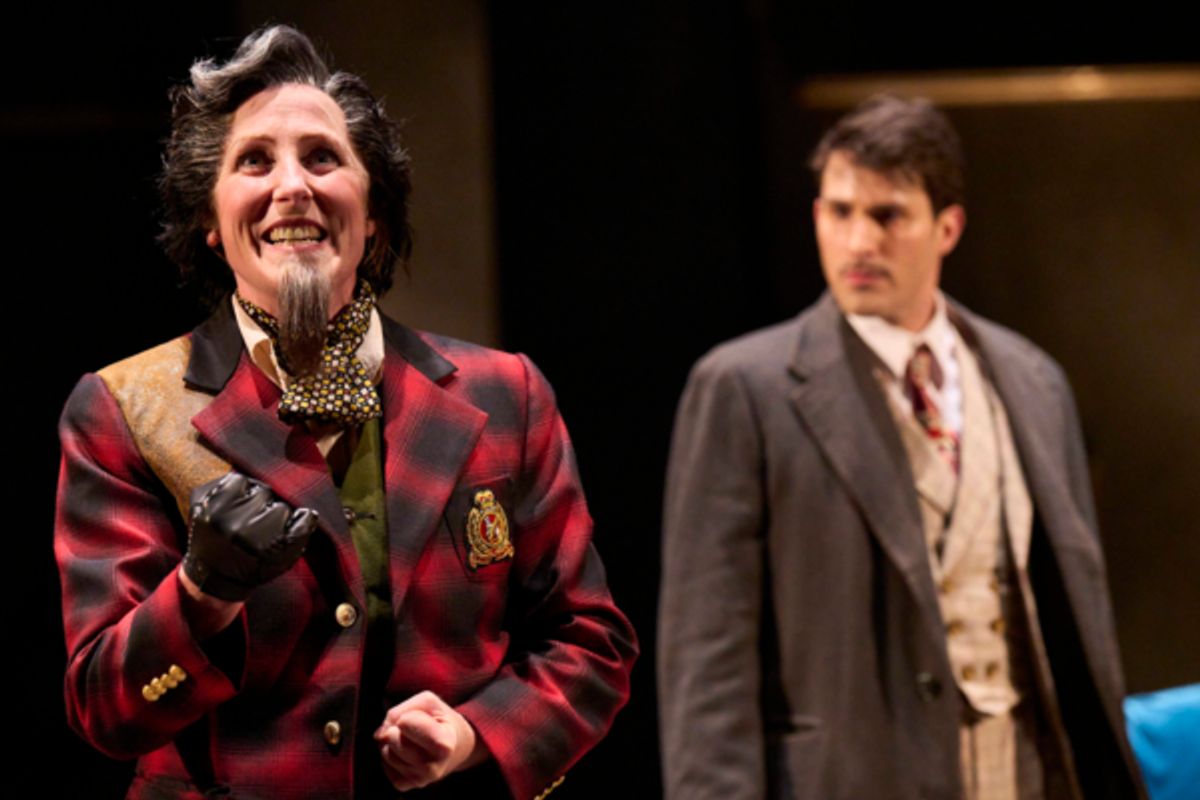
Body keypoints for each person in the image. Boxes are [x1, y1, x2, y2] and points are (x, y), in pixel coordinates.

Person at [55, 25, 636, 800]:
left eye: (323, 158)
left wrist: (472, 735)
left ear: (373, 219)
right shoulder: (126, 407)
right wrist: (201, 593)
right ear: (211, 223)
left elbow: (590, 645)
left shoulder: (505, 396)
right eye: (254, 161)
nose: (292, 185)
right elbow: (105, 711)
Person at [658, 95, 1145, 799]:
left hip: (1022, 768)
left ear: (947, 226)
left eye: (887, 216)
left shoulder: (1032, 379)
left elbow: (1077, 618)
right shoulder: (743, 388)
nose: (859, 242)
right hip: (853, 777)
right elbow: (708, 653)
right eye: (839, 211)